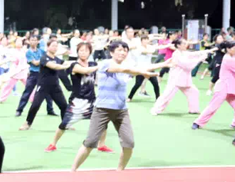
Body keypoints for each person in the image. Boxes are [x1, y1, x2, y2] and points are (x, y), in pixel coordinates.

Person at [71, 41, 169, 172]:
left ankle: (120, 170)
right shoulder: (105, 64)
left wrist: (164, 63)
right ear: (111, 52)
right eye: (119, 50)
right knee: (90, 142)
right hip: (102, 110)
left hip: (121, 111)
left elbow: (144, 66)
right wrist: (143, 73)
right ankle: (73, 170)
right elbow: (125, 69)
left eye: (125, 50)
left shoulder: (128, 66)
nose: (123, 52)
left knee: (129, 143)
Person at [45, 42, 108, 152]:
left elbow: (97, 78)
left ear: (90, 52)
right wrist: (101, 65)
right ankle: (53, 144)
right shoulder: (74, 65)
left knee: (103, 122)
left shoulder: (92, 64)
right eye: (81, 51)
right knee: (64, 124)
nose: (83, 53)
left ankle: (101, 145)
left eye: (86, 51)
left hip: (92, 101)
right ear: (77, 52)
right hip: (77, 102)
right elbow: (85, 71)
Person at [192, 41, 235, 130]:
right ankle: (197, 122)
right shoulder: (228, 59)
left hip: (230, 87)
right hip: (222, 87)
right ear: (228, 49)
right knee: (213, 106)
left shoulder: (231, 58)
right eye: (234, 48)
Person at [150, 38, 211, 116]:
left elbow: (194, 54)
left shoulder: (184, 53)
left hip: (184, 78)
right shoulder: (176, 54)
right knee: (167, 95)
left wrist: (207, 51)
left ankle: (194, 110)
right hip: (176, 78)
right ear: (178, 45)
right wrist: (200, 58)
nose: (186, 45)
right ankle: (155, 109)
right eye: (184, 44)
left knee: (194, 92)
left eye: (186, 43)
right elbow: (187, 65)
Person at [20, 38, 68, 130]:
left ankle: (65, 124)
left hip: (55, 86)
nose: (55, 48)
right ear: (48, 47)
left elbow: (64, 62)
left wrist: (73, 64)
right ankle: (27, 123)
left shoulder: (57, 58)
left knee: (64, 105)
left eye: (56, 46)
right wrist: (65, 66)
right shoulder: (44, 58)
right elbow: (54, 66)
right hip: (43, 86)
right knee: (35, 105)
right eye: (53, 46)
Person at [15, 35, 56, 117]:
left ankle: (50, 110)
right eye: (32, 40)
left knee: (48, 92)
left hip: (42, 74)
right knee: (27, 92)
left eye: (35, 40)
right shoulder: (28, 52)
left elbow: (49, 57)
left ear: (38, 42)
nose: (33, 42)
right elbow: (35, 63)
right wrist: (44, 59)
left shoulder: (41, 51)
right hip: (33, 74)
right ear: (29, 41)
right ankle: (19, 110)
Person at [127, 36, 160, 102]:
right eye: (144, 40)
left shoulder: (150, 47)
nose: (146, 41)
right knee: (138, 84)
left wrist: (167, 45)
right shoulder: (139, 48)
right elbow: (147, 51)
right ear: (141, 41)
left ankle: (158, 99)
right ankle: (129, 97)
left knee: (155, 84)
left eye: (147, 40)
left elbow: (158, 47)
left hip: (150, 68)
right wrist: (153, 49)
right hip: (141, 69)